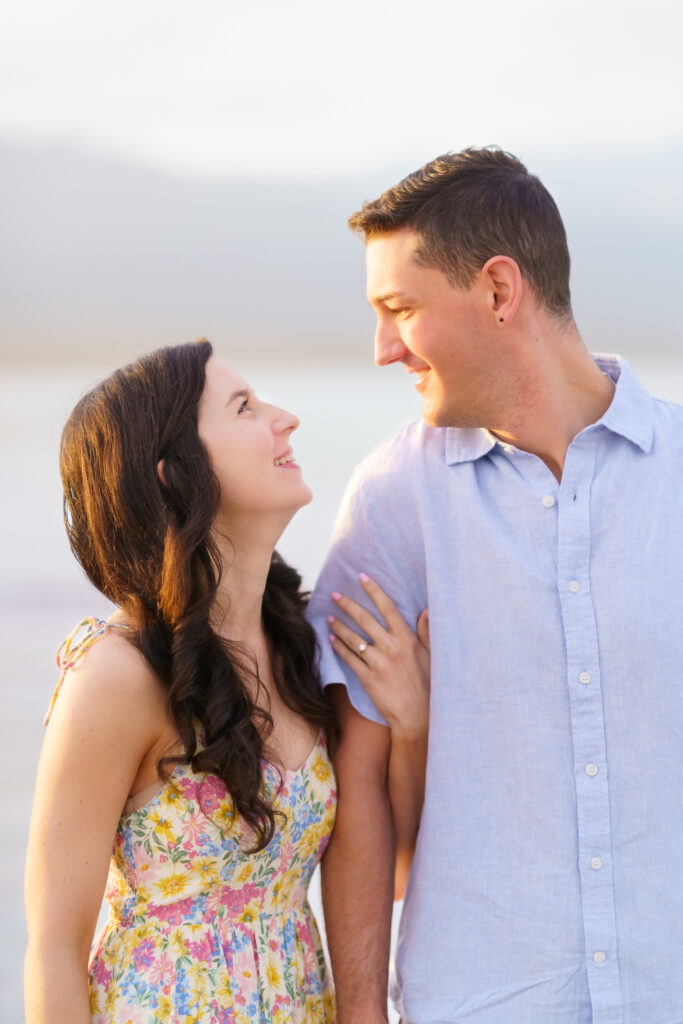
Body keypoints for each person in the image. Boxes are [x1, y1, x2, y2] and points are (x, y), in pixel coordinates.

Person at [308, 146, 683, 1023]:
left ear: (499, 291)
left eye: (399, 309)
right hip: (480, 1000)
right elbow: (352, 789)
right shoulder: (394, 500)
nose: (381, 349)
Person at [24, 340, 430, 1024]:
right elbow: (54, 949)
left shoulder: (301, 644)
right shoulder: (118, 675)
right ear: (174, 475)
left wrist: (411, 726)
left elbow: (390, 875)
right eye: (244, 407)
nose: (285, 419)